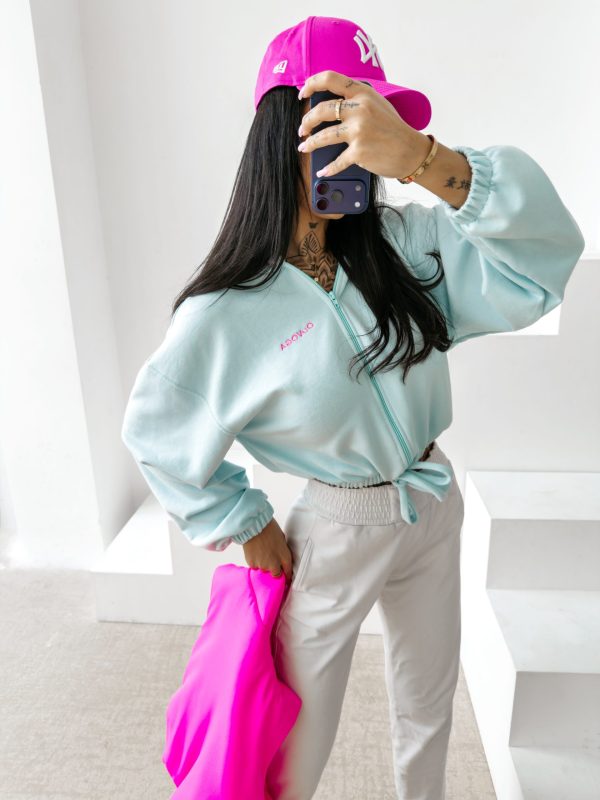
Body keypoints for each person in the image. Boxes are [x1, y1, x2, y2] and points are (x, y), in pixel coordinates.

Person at [120, 15, 585, 800]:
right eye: (338, 121)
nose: (359, 151)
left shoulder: (407, 244)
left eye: (373, 122)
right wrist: (244, 519)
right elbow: (155, 431)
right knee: (293, 746)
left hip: (432, 503)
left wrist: (427, 161)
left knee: (428, 709)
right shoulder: (227, 312)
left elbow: (543, 263)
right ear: (284, 135)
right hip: (336, 531)